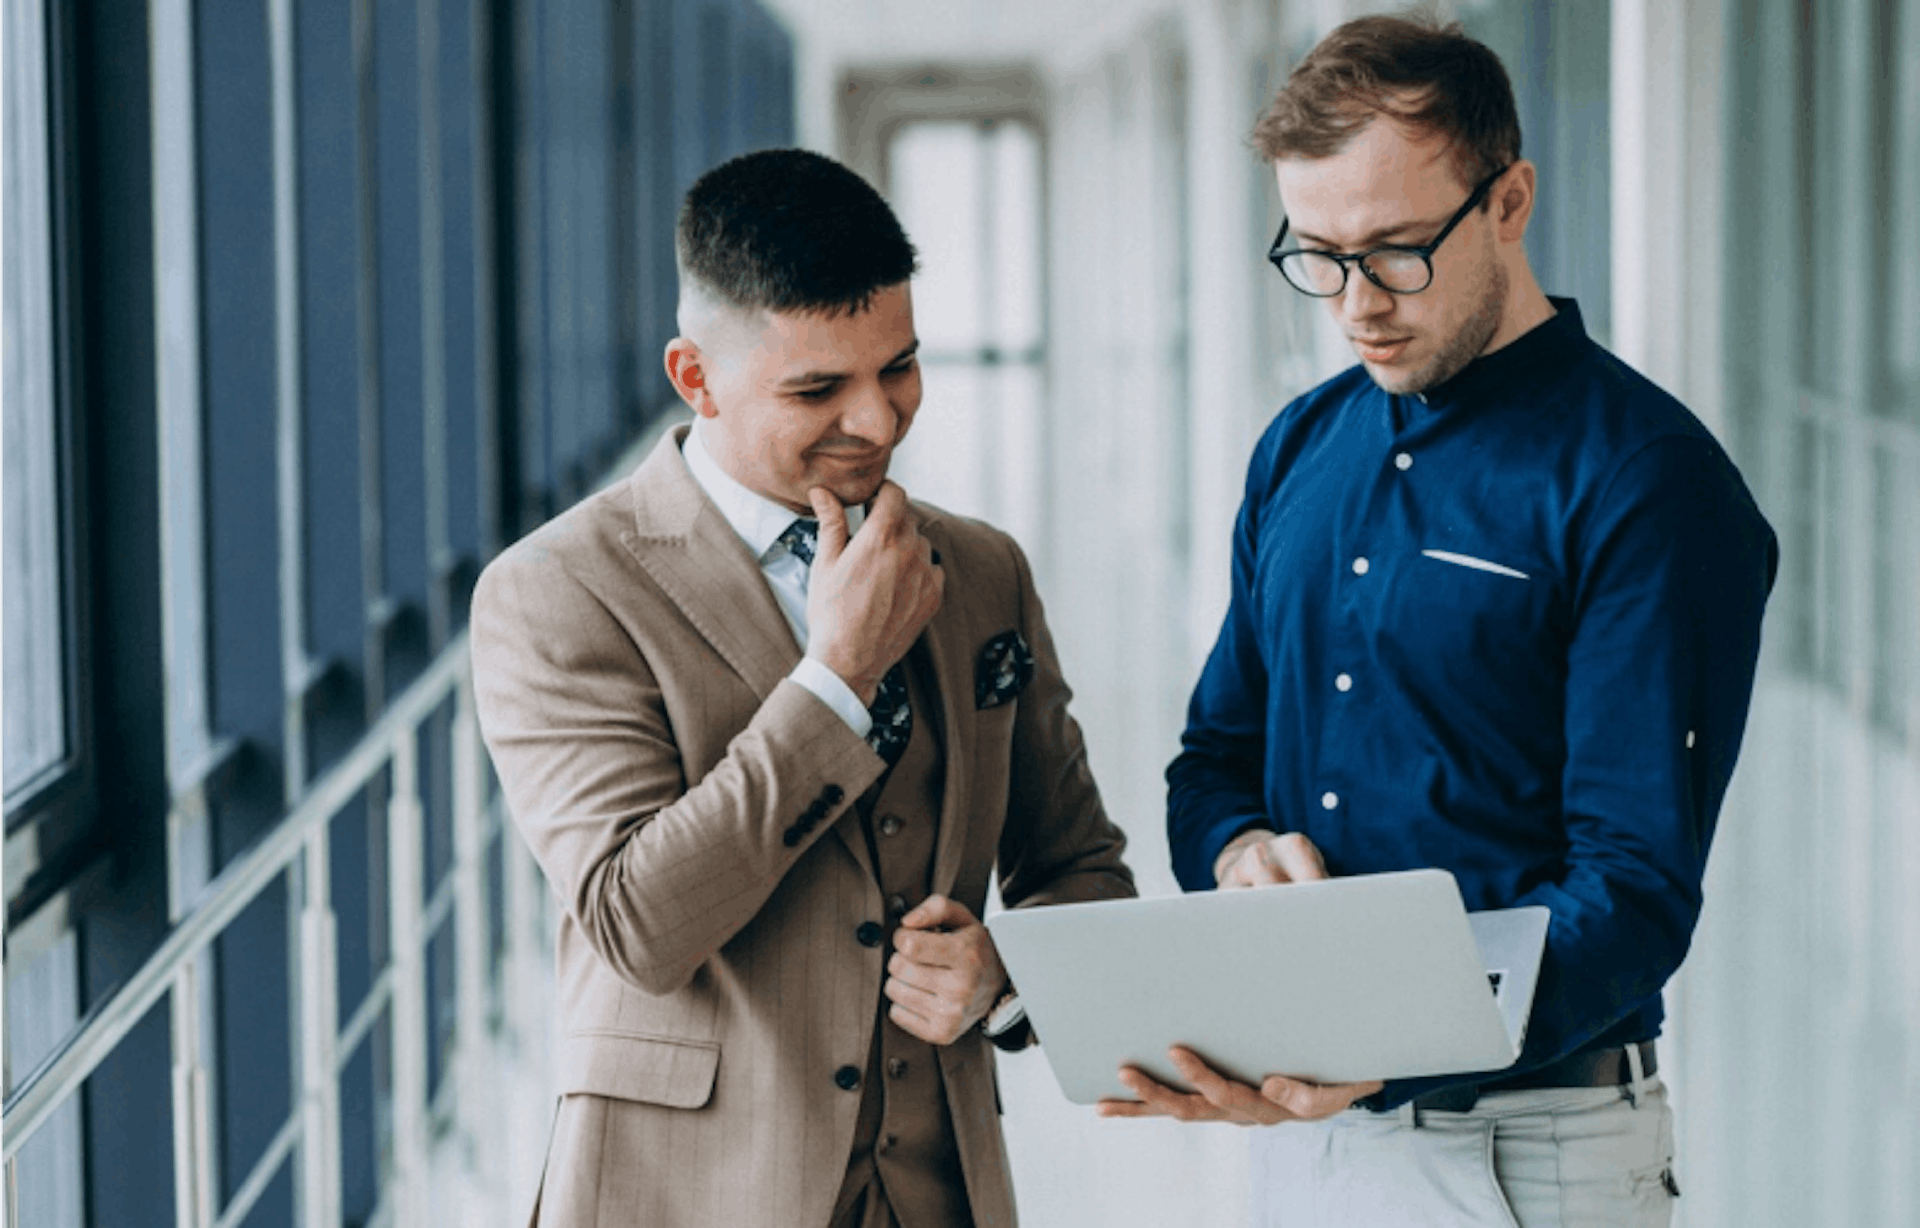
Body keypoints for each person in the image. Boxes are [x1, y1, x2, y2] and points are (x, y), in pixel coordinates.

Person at [1099, 15, 1777, 1227]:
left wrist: (1393, 1046)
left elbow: (1632, 892)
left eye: (1398, 251)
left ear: (1509, 201)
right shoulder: (1300, 446)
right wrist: (1242, 852)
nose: (1357, 303)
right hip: (1302, 1139)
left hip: (1525, 1154)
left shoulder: (1647, 482)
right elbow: (1213, 765)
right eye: (1318, 255)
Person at [470, 148, 1134, 1228]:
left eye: (901, 367)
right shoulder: (556, 591)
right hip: (678, 1197)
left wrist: (1006, 977)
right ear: (697, 379)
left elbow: (1082, 869)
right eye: (818, 388)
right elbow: (635, 922)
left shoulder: (982, 570)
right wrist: (838, 678)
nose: (877, 420)